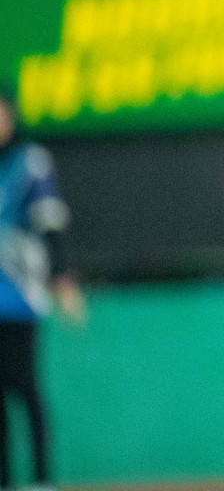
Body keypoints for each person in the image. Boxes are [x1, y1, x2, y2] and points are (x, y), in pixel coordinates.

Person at [0, 89, 85, 491]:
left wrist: (62, 278)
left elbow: (51, 225)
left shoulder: (31, 163)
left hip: (20, 295)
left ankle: (41, 480)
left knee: (25, 386)